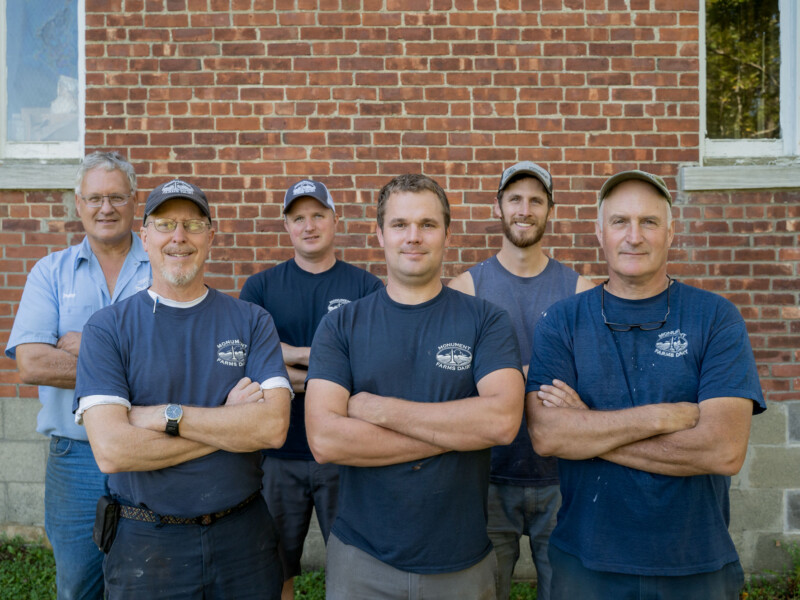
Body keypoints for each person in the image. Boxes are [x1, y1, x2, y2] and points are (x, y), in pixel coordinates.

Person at [527, 170, 765, 600]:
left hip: (696, 564)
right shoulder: (561, 322)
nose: (633, 236)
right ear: (599, 232)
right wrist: (665, 415)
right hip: (586, 563)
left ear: (671, 232)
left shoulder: (715, 318)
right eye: (620, 222)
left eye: (649, 222)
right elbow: (547, 434)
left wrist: (588, 429)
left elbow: (723, 449)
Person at [305, 173, 525, 599]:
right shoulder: (341, 326)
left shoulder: (486, 320)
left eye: (427, 224)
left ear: (446, 233)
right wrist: (456, 433)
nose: (414, 237)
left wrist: (378, 410)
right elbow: (326, 439)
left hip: (461, 563)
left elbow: (500, 422)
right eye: (400, 224)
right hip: (362, 561)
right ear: (379, 235)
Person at [72, 179, 292, 599]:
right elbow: (113, 450)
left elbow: (271, 428)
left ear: (212, 235)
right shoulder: (109, 328)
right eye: (165, 224)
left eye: (192, 224)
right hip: (147, 543)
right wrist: (230, 423)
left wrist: (161, 415)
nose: (179, 237)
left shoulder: (251, 320)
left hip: (243, 537)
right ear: (145, 236)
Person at [4, 151, 151, 600]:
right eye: (94, 198)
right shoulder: (50, 271)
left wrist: (88, 345)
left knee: (149, 579)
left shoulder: (162, 266)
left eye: (115, 197)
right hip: (76, 456)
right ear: (78, 204)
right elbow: (32, 364)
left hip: (147, 452)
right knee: (78, 583)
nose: (105, 208)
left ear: (133, 201)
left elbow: (179, 360)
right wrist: (133, 363)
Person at [449, 161, 594, 600]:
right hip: (488, 476)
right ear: (498, 207)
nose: (524, 209)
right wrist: (535, 377)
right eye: (515, 198)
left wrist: (501, 378)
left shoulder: (581, 291)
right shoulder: (465, 289)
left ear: (551, 209)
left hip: (562, 479)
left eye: (536, 200)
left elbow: (587, 385)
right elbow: (456, 385)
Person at [239, 179, 383, 600]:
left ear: (335, 220)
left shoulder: (366, 289)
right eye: (298, 217)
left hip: (344, 451)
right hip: (278, 452)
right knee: (273, 567)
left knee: (355, 566)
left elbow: (366, 366)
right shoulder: (260, 288)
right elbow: (255, 361)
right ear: (286, 226)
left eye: (318, 215)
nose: (309, 225)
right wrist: (327, 363)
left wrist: (289, 367)